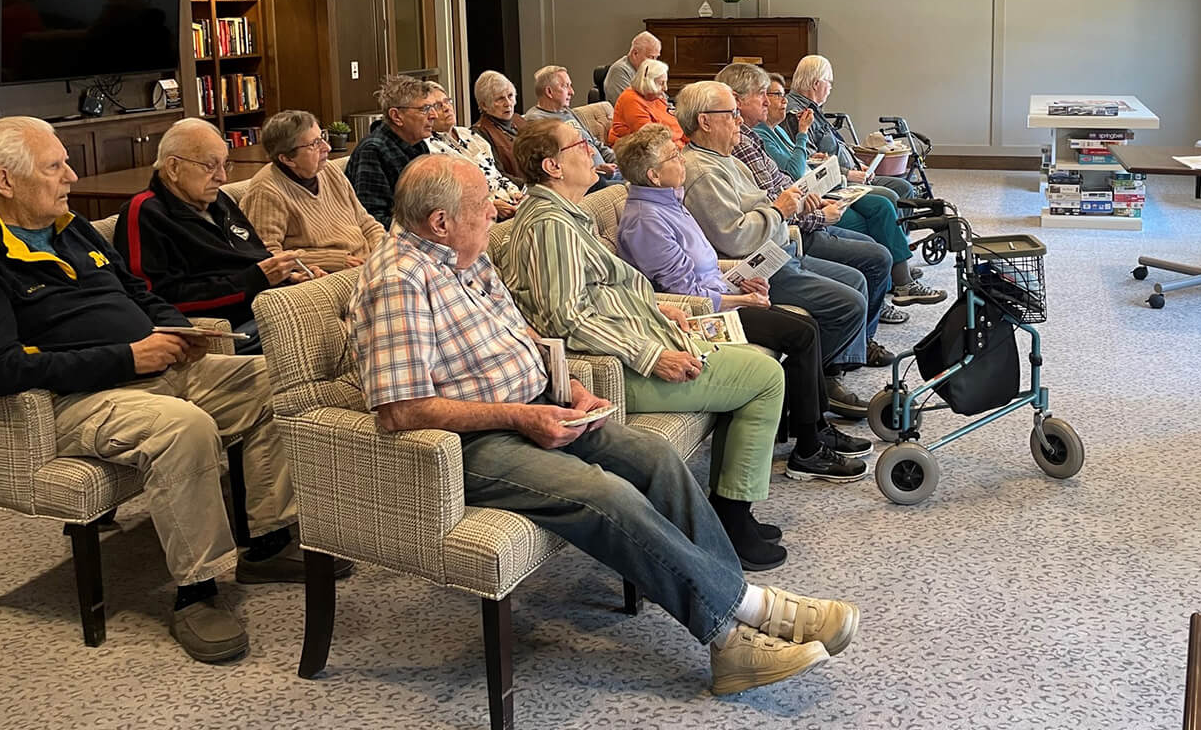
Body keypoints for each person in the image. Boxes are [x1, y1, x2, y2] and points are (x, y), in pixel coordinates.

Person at [351, 153, 856, 696]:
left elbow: (522, 336)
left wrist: (565, 386)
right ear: (440, 222)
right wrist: (521, 415)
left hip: (540, 406)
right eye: (482, 207)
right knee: (603, 493)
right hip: (466, 444)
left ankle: (733, 619)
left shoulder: (465, 257)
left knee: (655, 459)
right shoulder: (399, 281)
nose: (497, 213)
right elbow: (400, 409)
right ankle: (742, 619)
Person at [0, 117, 348, 665]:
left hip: (154, 365)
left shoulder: (72, 227)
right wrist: (125, 356)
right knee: (183, 428)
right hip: (75, 398)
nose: (71, 174)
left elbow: (139, 291)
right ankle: (198, 590)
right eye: (55, 166)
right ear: (5, 181)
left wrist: (172, 330)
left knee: (278, 380)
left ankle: (269, 541)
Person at [497, 120, 790, 569]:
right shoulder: (550, 226)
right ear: (552, 165)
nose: (591, 148)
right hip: (614, 370)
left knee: (756, 359)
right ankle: (733, 516)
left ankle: (730, 510)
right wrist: (652, 355)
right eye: (579, 143)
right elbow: (566, 318)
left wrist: (657, 309)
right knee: (766, 377)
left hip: (641, 339)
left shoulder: (567, 214)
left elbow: (601, 292)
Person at [613, 124, 869, 482]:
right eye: (673, 156)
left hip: (717, 297)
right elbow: (684, 292)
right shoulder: (646, 221)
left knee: (804, 326)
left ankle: (814, 430)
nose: (680, 158)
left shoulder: (669, 199)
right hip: (693, 318)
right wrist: (741, 299)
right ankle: (808, 449)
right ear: (654, 175)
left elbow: (703, 267)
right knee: (802, 333)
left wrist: (738, 280)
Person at [675, 81, 877, 417]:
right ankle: (803, 391)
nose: (739, 121)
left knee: (856, 280)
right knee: (850, 303)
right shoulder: (702, 171)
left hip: (781, 250)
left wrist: (790, 210)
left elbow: (767, 205)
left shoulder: (727, 160)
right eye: (732, 114)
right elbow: (734, 238)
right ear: (705, 121)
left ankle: (826, 377)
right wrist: (780, 211)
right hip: (756, 268)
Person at [723, 63, 945, 311]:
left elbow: (787, 183)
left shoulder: (761, 133)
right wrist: (806, 138)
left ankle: (897, 267)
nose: (775, 101)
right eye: (768, 94)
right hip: (807, 214)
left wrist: (837, 177)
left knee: (897, 192)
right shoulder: (765, 132)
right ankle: (897, 278)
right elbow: (792, 179)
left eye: (774, 94)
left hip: (816, 196)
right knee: (882, 208)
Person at [117, 119, 324, 352]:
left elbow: (254, 258)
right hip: (233, 324)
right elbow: (155, 297)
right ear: (173, 168)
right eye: (210, 166)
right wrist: (256, 279)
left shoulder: (219, 201)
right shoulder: (145, 212)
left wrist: (289, 276)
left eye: (226, 164)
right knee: (318, 326)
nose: (222, 177)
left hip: (267, 304)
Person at [240, 110, 384, 273]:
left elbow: (366, 222)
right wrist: (333, 261)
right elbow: (269, 256)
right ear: (287, 159)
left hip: (368, 263)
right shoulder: (267, 191)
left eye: (322, 137)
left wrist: (384, 248)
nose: (327, 147)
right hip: (331, 274)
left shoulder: (329, 170)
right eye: (314, 144)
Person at [785, 54, 915, 201]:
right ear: (816, 84)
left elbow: (835, 146)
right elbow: (810, 163)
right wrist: (849, 174)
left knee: (904, 188)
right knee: (890, 196)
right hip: (836, 183)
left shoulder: (813, 109)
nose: (830, 88)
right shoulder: (797, 114)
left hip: (851, 175)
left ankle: (897, 224)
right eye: (829, 82)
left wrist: (859, 165)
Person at [347, 74, 440, 228]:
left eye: (433, 107)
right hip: (398, 240)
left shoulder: (418, 145)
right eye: (425, 109)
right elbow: (372, 218)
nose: (434, 115)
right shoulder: (373, 151)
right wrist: (425, 229)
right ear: (396, 116)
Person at [421, 80, 524, 219]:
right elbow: (453, 193)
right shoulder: (427, 147)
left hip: (512, 202)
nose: (447, 108)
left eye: (448, 101)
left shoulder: (470, 135)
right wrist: (491, 204)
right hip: (480, 215)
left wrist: (516, 192)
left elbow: (497, 174)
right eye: (438, 105)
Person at [523, 64, 621, 189]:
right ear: (549, 92)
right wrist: (594, 170)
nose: (572, 92)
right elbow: (560, 161)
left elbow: (595, 144)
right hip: (587, 180)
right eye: (566, 86)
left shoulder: (568, 112)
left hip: (609, 172)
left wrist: (621, 162)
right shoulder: (537, 120)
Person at [609, 58, 687, 149]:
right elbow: (651, 138)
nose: (665, 88)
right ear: (648, 82)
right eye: (661, 83)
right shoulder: (630, 99)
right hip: (636, 150)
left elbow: (676, 124)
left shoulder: (655, 97)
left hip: (671, 144)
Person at [472, 70, 529, 184]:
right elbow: (498, 175)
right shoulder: (480, 132)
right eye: (500, 99)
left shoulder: (518, 120)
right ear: (484, 105)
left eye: (510, 96)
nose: (508, 103)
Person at [603, 30, 663, 104]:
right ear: (635, 54)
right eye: (651, 57)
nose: (654, 62)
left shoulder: (647, 71)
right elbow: (631, 104)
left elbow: (663, 99)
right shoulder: (619, 71)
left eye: (656, 58)